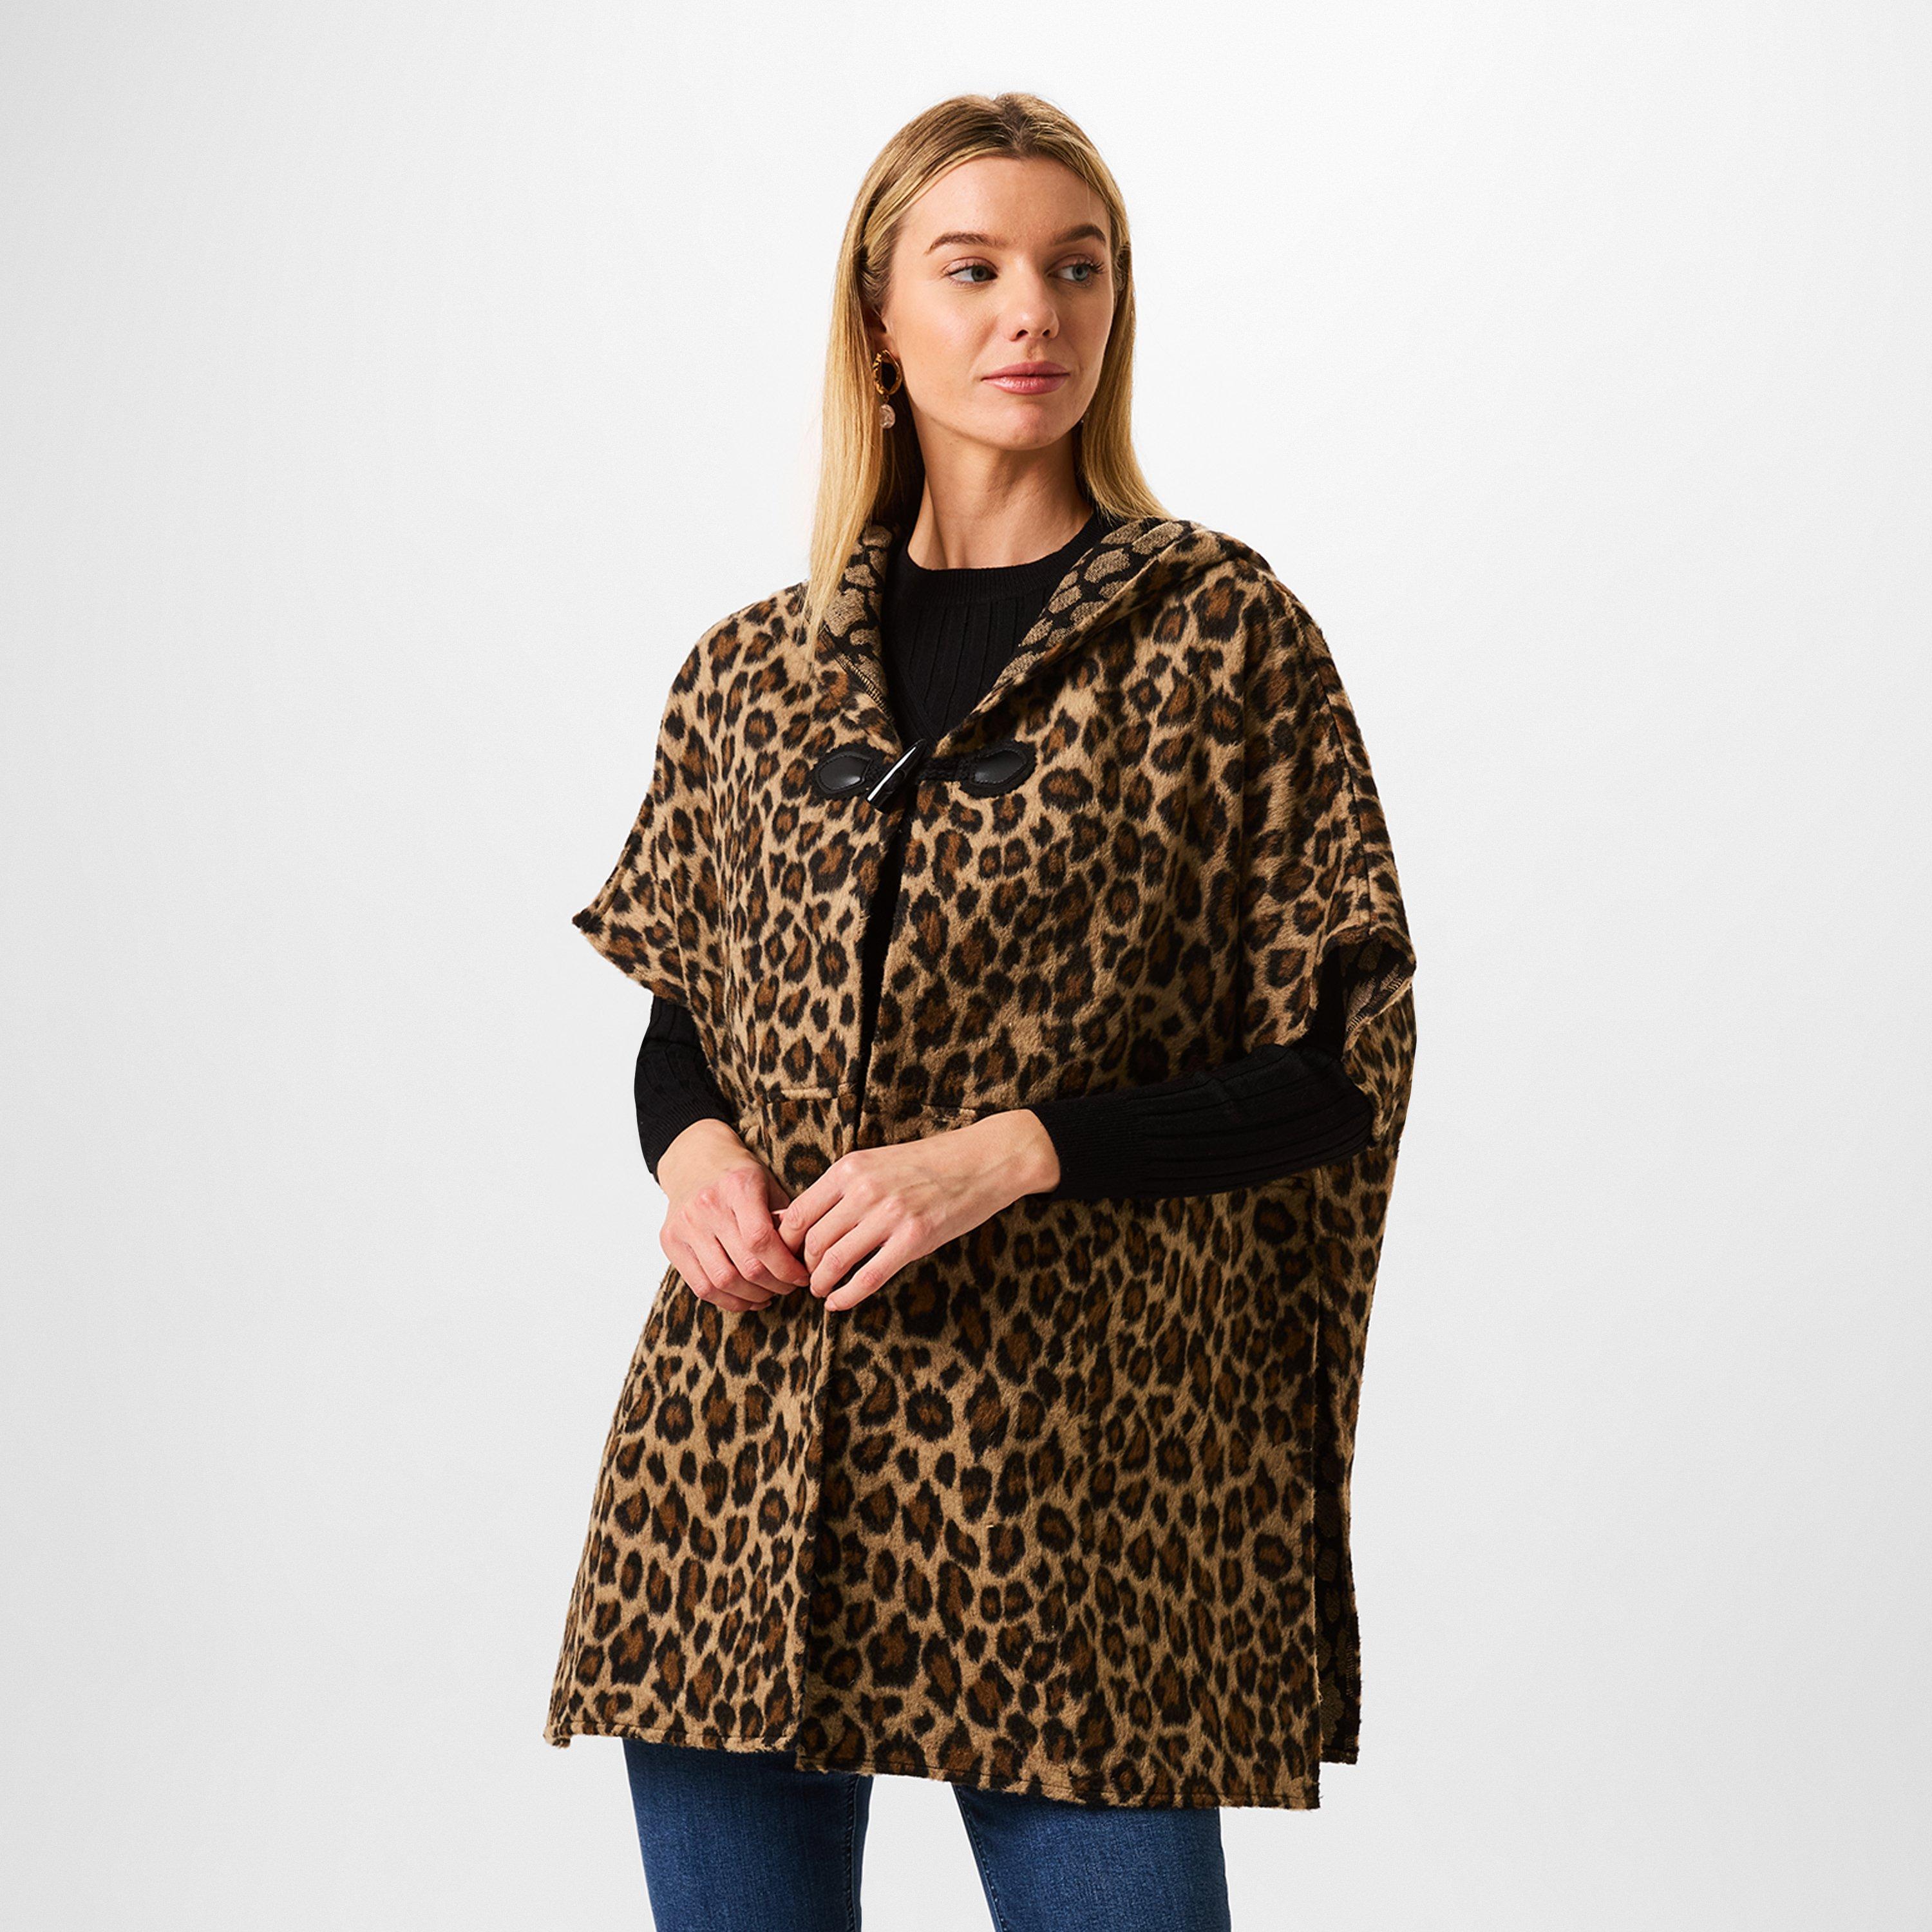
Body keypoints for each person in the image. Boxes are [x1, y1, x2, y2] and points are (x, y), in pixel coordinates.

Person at [546, 91, 1419, 1932]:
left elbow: (1337, 1065)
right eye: (975, 269)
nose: (1035, 311)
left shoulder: (1222, 639)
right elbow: (686, 1007)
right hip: (741, 1468)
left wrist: (1009, 1155)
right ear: (879, 322)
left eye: (1077, 269)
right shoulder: (753, 672)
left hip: (1081, 1487)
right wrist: (691, 1153)